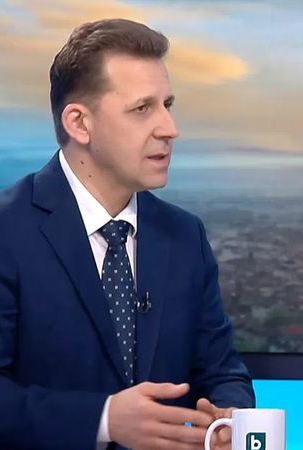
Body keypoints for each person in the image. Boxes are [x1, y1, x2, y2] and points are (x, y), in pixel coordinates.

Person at [0, 19, 254, 450]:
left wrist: (230, 416)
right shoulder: (8, 232)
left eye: (167, 104)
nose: (169, 128)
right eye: (142, 109)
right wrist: (104, 420)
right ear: (80, 123)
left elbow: (223, 372)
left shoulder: (185, 237)